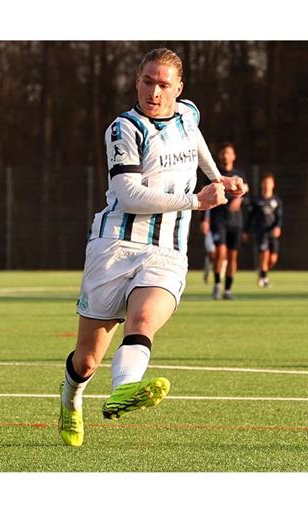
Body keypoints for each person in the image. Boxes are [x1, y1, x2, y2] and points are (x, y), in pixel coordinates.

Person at [58, 48, 245, 447]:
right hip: (115, 247)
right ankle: (70, 396)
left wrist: (219, 177)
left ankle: (124, 389)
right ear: (136, 81)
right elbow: (128, 195)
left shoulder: (188, 114)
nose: (154, 92)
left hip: (167, 252)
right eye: (147, 81)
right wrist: (197, 200)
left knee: (142, 322)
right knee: (87, 359)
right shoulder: (124, 128)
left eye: (163, 84)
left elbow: (194, 141)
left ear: (179, 88)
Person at [205, 142, 248, 300]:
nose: (225, 156)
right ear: (219, 156)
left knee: (232, 256)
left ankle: (228, 289)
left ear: (233, 156)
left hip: (235, 222)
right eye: (223, 153)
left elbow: (247, 196)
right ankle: (217, 284)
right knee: (220, 252)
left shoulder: (239, 175)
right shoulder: (214, 175)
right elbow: (204, 195)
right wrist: (204, 220)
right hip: (218, 220)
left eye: (228, 153)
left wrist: (241, 201)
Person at [243, 173, 283, 287]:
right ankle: (264, 278)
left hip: (272, 233)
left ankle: (262, 271)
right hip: (261, 232)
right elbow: (250, 217)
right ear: (262, 185)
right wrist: (246, 231)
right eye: (265, 183)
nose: (267, 185)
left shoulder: (277, 201)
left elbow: (279, 217)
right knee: (264, 254)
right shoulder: (256, 201)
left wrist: (278, 227)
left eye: (269, 183)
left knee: (273, 259)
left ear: (273, 185)